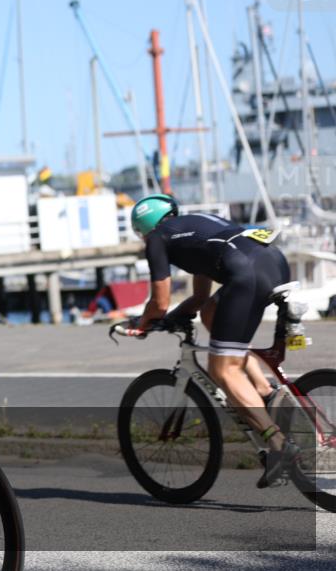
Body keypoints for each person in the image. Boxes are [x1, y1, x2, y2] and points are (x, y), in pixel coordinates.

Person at [128, 193, 300, 488]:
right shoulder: (193, 227)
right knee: (211, 314)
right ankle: (264, 391)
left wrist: (142, 323)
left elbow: (159, 301)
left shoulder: (157, 238)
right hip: (272, 261)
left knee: (222, 370)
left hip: (245, 273)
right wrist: (174, 317)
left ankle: (279, 446)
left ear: (143, 227)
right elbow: (199, 299)